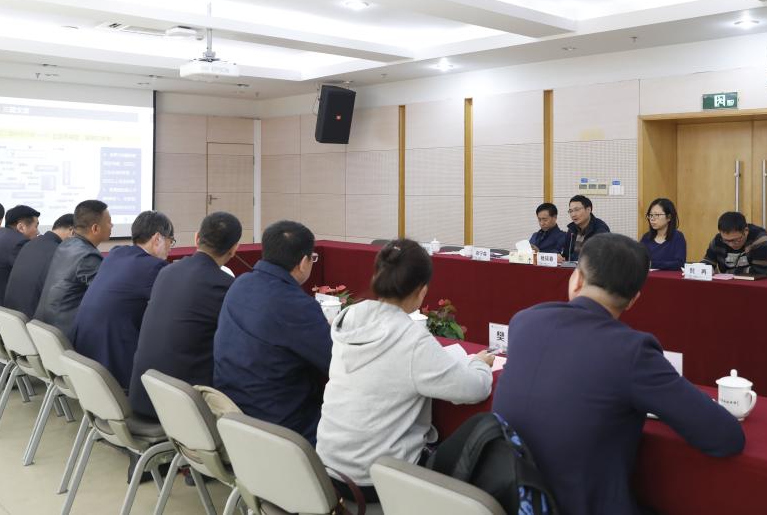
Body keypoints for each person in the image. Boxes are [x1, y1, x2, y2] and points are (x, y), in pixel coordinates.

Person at [492, 234, 745, 515]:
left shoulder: (525, 321)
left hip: (509, 499)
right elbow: (725, 437)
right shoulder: (632, 350)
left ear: (577, 280)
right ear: (634, 300)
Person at [317, 239, 494, 503]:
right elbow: (474, 388)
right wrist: (478, 363)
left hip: (328, 468)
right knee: (483, 435)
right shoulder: (411, 339)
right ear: (422, 291)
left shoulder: (350, 317)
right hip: (376, 480)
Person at [214, 220, 330, 445]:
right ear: (303, 263)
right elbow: (334, 361)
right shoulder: (296, 305)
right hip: (282, 427)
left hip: (232, 413)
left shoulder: (240, 284)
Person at [129, 212, 242, 419]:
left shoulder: (166, 272)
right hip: (179, 409)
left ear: (197, 238)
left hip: (143, 393)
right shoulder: (226, 286)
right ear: (234, 249)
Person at [72, 211, 174, 390]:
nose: (170, 247)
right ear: (157, 238)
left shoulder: (116, 254)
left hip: (85, 357)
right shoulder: (154, 267)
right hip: (114, 365)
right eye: (170, 241)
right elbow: (173, 311)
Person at [34, 200, 112, 341]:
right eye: (109, 222)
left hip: (45, 328)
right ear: (95, 228)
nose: (112, 225)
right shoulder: (88, 256)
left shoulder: (66, 244)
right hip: (65, 336)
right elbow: (106, 297)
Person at [3, 213, 75, 318]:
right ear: (72, 231)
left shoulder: (30, 244)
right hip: (32, 320)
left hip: (12, 316)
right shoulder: (59, 252)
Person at [702, 211, 767, 278]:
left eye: (736, 240)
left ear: (746, 231)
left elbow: (759, 272)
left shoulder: (759, 238)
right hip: (729, 284)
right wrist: (706, 269)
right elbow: (707, 263)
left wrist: (727, 273)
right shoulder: (718, 240)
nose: (731, 244)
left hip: (759, 285)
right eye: (726, 240)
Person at [640, 198, 687, 270]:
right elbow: (639, 259)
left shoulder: (678, 237)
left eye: (657, 215)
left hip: (670, 276)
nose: (652, 219)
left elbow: (679, 263)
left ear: (669, 217)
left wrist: (652, 264)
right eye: (650, 215)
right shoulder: (646, 237)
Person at [561, 194, 610, 262]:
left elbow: (600, 258)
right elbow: (566, 256)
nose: (573, 214)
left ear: (588, 210)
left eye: (577, 210)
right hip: (574, 267)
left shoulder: (600, 230)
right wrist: (561, 258)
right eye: (571, 211)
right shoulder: (572, 230)